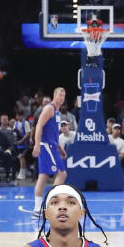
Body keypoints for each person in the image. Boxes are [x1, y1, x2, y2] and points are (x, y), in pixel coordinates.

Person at [33, 87, 68, 216]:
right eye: (60, 94)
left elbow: (53, 133)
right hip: (46, 146)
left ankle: (37, 209)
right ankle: (50, 204)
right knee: (62, 173)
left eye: (64, 95)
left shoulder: (57, 112)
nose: (62, 97)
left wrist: (60, 149)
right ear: (54, 95)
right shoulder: (49, 108)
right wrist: (37, 145)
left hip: (52, 146)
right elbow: (39, 125)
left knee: (43, 176)